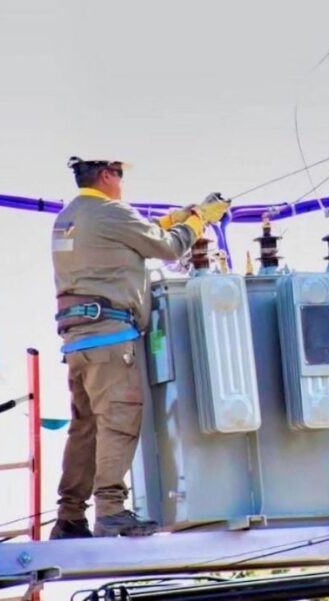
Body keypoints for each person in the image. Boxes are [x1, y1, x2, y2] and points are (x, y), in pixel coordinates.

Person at [49, 156, 229, 538]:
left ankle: (70, 518)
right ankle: (111, 510)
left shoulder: (70, 217)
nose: (122, 183)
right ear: (107, 175)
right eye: (120, 176)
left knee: (86, 429)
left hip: (80, 341)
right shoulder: (109, 211)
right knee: (118, 421)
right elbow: (165, 249)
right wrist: (199, 220)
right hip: (112, 339)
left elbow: (132, 234)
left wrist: (175, 217)